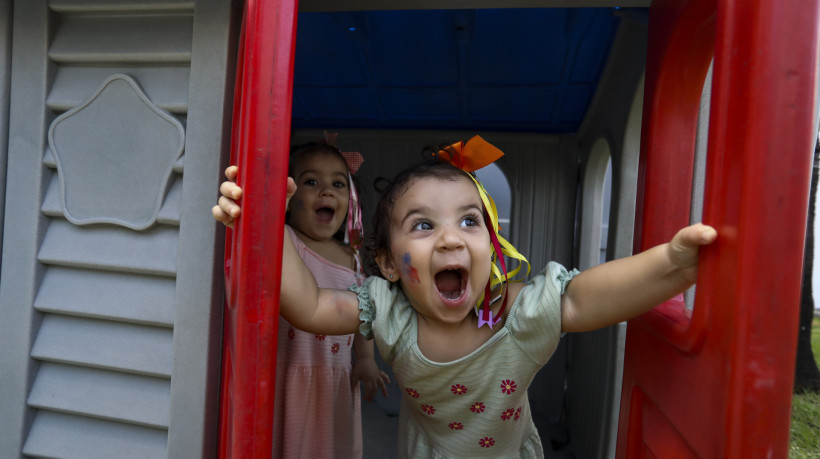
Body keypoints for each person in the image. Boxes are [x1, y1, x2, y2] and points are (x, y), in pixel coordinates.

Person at [213, 136, 717, 458]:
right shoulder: (389, 311)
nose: (451, 239)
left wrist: (672, 264)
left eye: (469, 221)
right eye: (425, 225)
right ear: (388, 264)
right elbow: (310, 306)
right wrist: (266, 221)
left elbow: (584, 299)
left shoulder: (513, 314)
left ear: (492, 245)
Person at [215, 138, 389, 458]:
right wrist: (264, 215)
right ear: (291, 199)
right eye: (311, 182)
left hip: (333, 378)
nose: (327, 191)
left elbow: (362, 313)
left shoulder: (351, 257)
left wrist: (365, 359)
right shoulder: (286, 242)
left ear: (348, 200)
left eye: (338, 183)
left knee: (327, 446)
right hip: (288, 373)